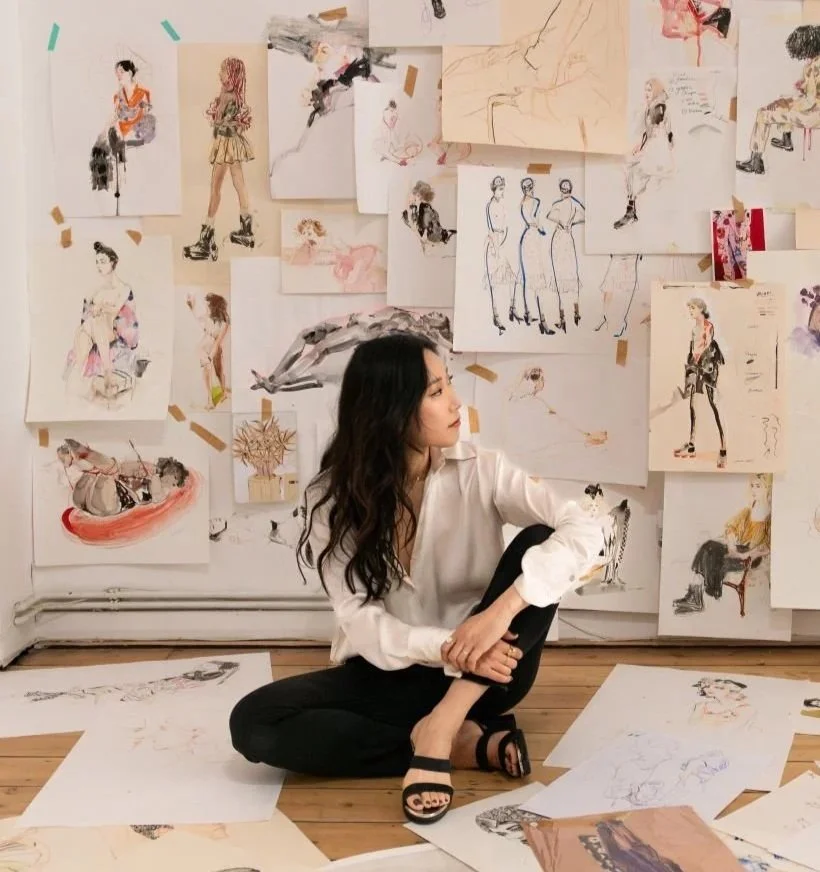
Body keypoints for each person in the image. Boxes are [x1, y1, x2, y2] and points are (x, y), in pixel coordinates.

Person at [229, 334, 603, 825]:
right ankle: (465, 744)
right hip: (392, 671)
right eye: (436, 392)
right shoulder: (332, 498)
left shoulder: (482, 470)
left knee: (539, 539)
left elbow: (587, 529)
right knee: (253, 724)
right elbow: (360, 620)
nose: (455, 403)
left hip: (488, 673)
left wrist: (495, 616)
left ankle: (444, 723)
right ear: (391, 408)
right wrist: (449, 643)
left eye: (447, 386)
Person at [184, 57, 256, 261]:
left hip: (226, 143)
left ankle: (206, 239)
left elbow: (224, 123)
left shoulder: (230, 97)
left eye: (223, 71)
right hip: (232, 143)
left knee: (215, 187)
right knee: (238, 182)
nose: (220, 74)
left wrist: (214, 119)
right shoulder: (230, 95)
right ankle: (246, 231)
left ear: (231, 75)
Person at [673, 475, 771, 615]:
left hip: (752, 557)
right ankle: (694, 597)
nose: (754, 490)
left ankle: (697, 599)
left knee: (714, 558)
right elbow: (731, 527)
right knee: (708, 546)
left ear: (767, 488)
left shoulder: (770, 518)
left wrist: (745, 555)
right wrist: (732, 548)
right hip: (737, 549)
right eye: (752, 486)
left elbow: (766, 548)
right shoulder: (747, 512)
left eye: (758, 486)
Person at [736, 25, 820, 176]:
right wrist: (803, 86)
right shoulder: (817, 61)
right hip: (816, 109)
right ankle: (786, 141)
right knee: (784, 102)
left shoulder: (814, 67)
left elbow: (809, 102)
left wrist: (789, 103)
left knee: (764, 113)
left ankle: (755, 162)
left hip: (813, 114)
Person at [64, 241, 142, 402]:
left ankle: (100, 373)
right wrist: (93, 308)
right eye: (97, 262)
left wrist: (101, 307)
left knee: (95, 323)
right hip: (93, 332)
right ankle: (86, 377)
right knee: (86, 330)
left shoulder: (124, 288)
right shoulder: (97, 291)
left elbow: (117, 312)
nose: (99, 265)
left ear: (113, 262)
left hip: (116, 332)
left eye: (103, 261)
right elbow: (85, 317)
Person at [614, 78, 675, 230]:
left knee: (634, 171)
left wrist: (667, 146)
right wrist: (639, 147)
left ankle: (631, 210)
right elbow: (647, 133)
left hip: (658, 150)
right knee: (628, 167)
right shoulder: (650, 107)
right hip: (651, 146)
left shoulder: (659, 107)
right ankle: (630, 208)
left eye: (649, 89)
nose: (646, 93)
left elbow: (665, 132)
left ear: (655, 91)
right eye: (645, 89)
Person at [674, 297, 727, 467]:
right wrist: (690, 367)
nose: (690, 311)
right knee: (693, 404)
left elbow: (708, 346)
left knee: (713, 404)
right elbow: (693, 349)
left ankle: (723, 449)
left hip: (708, 366)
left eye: (693, 308)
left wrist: (698, 364)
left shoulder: (708, 326)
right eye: (689, 308)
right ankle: (691, 445)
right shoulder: (694, 329)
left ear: (701, 309)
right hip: (696, 366)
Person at [187, 292, 230, 409]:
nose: (207, 307)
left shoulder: (225, 323)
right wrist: (191, 306)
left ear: (214, 306)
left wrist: (211, 356)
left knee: (219, 371)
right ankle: (210, 400)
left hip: (214, 348)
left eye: (208, 305)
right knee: (208, 371)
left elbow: (217, 342)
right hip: (203, 347)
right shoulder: (208, 317)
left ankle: (223, 393)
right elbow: (198, 318)